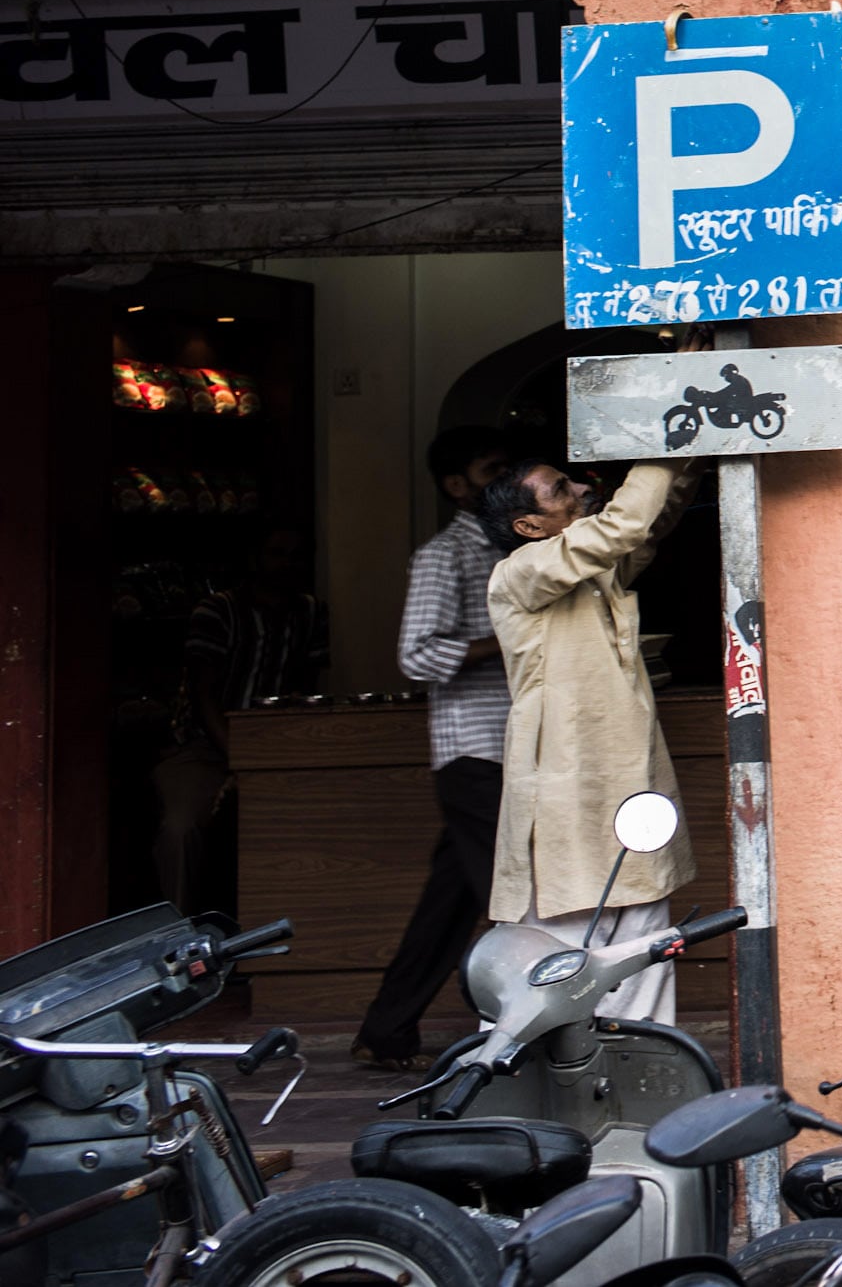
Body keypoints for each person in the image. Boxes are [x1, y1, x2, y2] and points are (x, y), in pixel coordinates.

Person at [483, 458, 699, 1022]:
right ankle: (531, 1071)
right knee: (554, 969)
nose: (581, 487)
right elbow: (623, 526)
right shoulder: (521, 570)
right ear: (529, 526)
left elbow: (649, 521)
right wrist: (659, 448)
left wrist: (683, 453)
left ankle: (643, 1065)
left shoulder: (592, 568)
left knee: (643, 944)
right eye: (560, 488)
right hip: (567, 798)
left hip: (626, 788)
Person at [352, 425, 515, 1068]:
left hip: (508, 747)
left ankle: (386, 1031)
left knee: (448, 904)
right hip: (475, 750)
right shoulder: (444, 555)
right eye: (492, 469)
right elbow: (416, 656)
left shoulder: (512, 545)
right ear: (456, 485)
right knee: (517, 897)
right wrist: (510, 638)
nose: (506, 479)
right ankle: (522, 1033)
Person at [155, 525, 327, 914]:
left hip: (277, 748)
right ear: (255, 559)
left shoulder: (311, 613)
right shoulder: (217, 611)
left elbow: (305, 689)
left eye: (297, 556)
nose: (287, 564)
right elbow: (203, 696)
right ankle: (177, 932)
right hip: (204, 748)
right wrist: (240, 760)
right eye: (277, 553)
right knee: (181, 829)